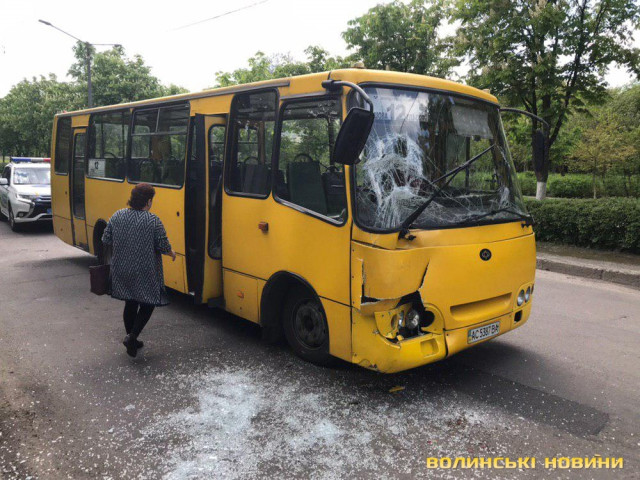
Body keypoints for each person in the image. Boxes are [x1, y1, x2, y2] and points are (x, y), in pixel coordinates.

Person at [101, 183, 176, 357]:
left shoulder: (118, 215)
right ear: (148, 201)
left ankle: (131, 340)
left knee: (130, 301)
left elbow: (106, 239)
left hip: (121, 268)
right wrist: (171, 253)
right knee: (149, 302)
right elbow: (163, 245)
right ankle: (132, 336)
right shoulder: (153, 220)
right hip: (144, 270)